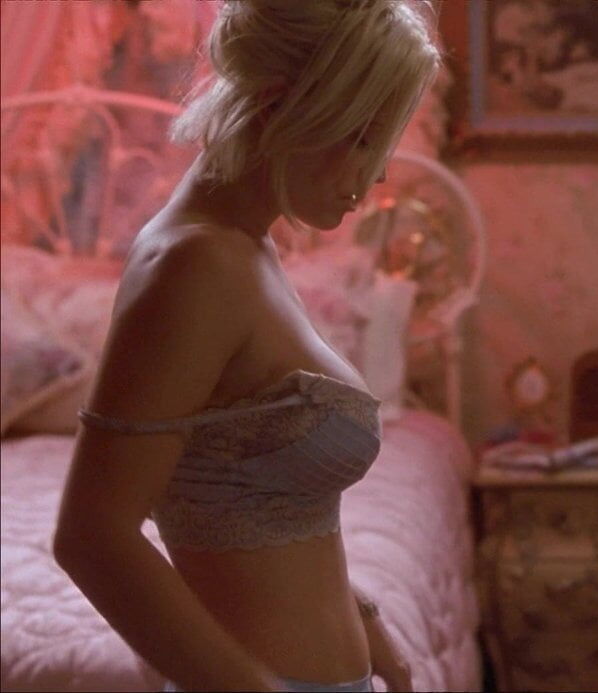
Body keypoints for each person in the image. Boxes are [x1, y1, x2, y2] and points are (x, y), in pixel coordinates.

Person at [52, 1, 438, 691]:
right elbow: (92, 537)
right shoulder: (194, 265)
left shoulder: (243, 250)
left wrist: (370, 626)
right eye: (362, 137)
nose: (379, 173)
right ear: (277, 104)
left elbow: (262, 512)